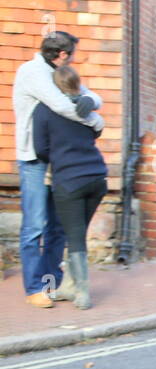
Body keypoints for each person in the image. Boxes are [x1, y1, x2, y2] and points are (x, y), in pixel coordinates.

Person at [11, 31, 104, 308]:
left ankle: (53, 282)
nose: (73, 59)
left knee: (57, 226)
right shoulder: (33, 72)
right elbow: (63, 105)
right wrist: (96, 121)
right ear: (62, 55)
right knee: (35, 225)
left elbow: (86, 93)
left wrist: (91, 101)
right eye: (72, 54)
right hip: (35, 159)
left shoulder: (57, 72)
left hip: (60, 162)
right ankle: (35, 288)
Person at [31, 66, 107, 309]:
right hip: (97, 177)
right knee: (77, 233)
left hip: (69, 181)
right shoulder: (84, 107)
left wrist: (58, 155)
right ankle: (67, 286)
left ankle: (82, 293)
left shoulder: (44, 110)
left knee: (73, 236)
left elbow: (40, 149)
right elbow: (95, 132)